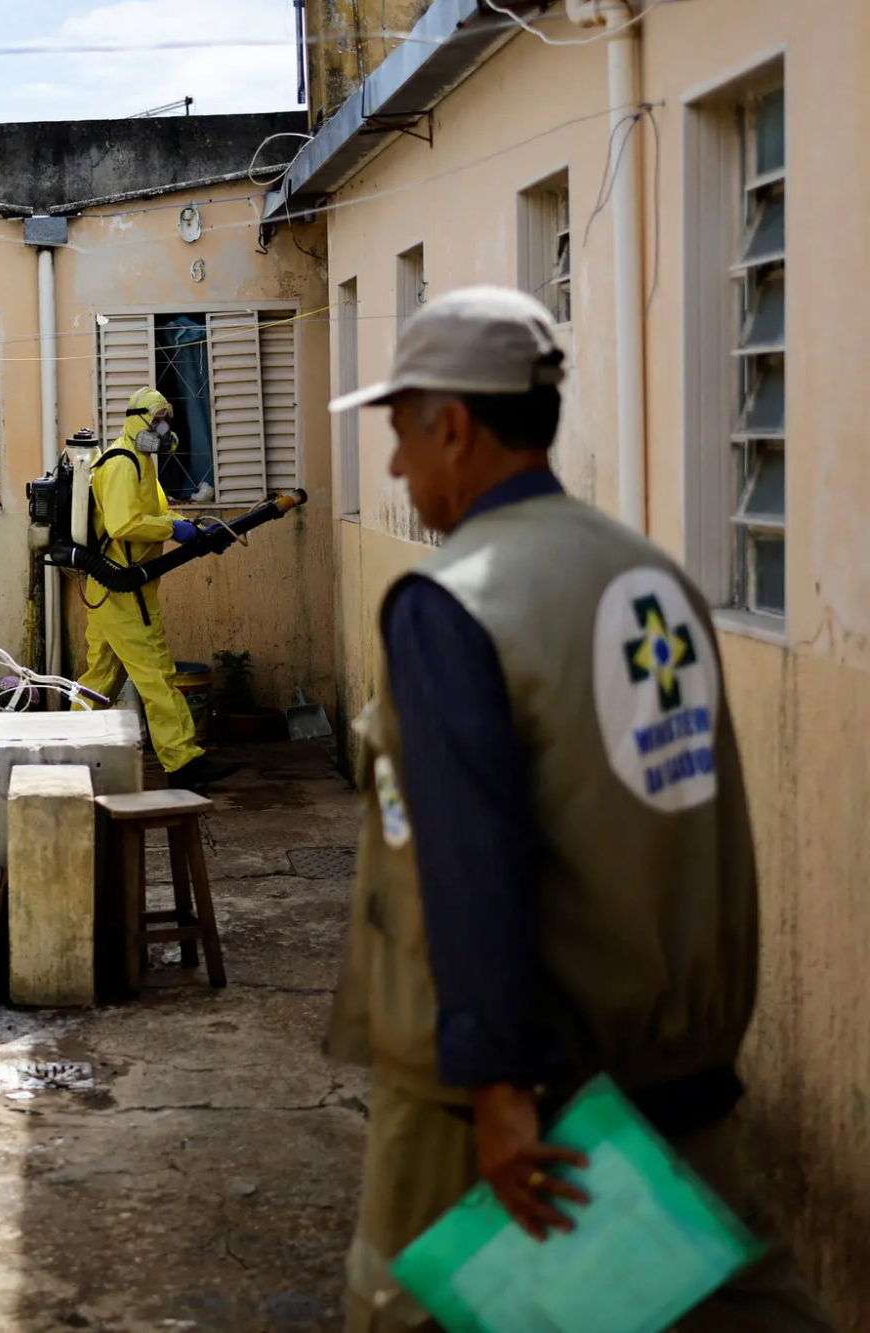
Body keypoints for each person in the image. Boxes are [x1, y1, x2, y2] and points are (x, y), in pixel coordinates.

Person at [327, 286, 830, 1332]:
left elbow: (463, 858)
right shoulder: (649, 577)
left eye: (396, 433)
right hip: (676, 1092)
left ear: (451, 426)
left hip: (519, 1125)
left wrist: (497, 1093)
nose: (391, 467)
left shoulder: (454, 600)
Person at [77, 386, 240, 791]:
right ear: (138, 420)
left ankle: (67, 751)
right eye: (156, 419)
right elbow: (123, 525)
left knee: (100, 678)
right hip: (121, 588)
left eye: (167, 418)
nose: (163, 426)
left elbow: (157, 512)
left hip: (119, 588)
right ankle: (181, 759)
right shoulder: (121, 464)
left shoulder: (143, 461)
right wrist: (175, 530)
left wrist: (195, 529)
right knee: (156, 674)